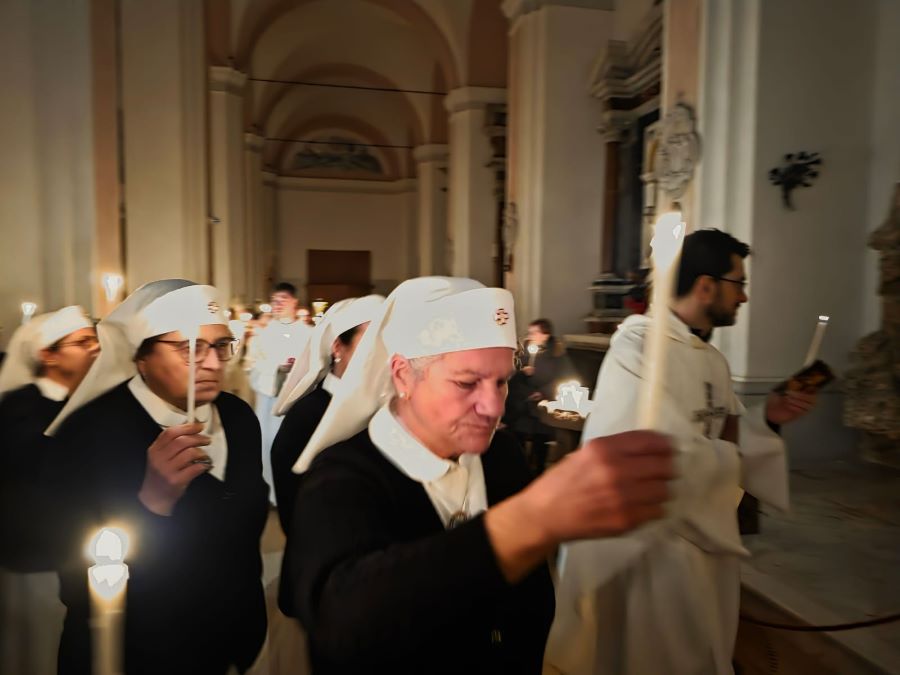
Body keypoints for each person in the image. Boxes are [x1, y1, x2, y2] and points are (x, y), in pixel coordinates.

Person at [284, 276, 675, 674]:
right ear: (402, 375)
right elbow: (343, 627)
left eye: (501, 381)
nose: (493, 407)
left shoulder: (502, 455)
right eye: (467, 383)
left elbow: (531, 600)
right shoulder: (341, 480)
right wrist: (530, 520)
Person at [546, 229, 818, 675]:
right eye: (738, 283)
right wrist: (725, 458)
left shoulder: (711, 359)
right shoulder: (637, 347)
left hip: (703, 542)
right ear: (706, 286)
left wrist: (769, 416)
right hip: (652, 551)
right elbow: (654, 455)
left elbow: (724, 433)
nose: (744, 296)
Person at [45, 280, 268, 675]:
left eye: (220, 346)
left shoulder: (238, 418)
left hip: (226, 647)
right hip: (132, 652)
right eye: (190, 348)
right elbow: (77, 583)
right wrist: (152, 503)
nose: (213, 363)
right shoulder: (91, 432)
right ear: (141, 357)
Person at [270, 294, 384, 617]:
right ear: (337, 347)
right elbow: (294, 507)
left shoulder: (387, 406)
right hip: (327, 575)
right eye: (371, 341)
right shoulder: (309, 414)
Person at [0, 306, 98, 675]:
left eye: (95, 341)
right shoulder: (20, 409)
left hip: (82, 557)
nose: (94, 349)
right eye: (82, 342)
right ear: (49, 355)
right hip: (36, 559)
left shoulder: (94, 403)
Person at [249, 282, 313, 504]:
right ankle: (272, 495)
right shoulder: (262, 335)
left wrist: (297, 371)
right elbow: (252, 366)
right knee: (269, 444)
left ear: (294, 302)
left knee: (296, 443)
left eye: (283, 299)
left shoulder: (309, 334)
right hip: (269, 402)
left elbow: (317, 366)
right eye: (274, 300)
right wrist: (276, 369)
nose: (277, 304)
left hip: (298, 402)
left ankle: (297, 491)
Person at [503, 319, 576, 473]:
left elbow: (563, 378)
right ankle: (521, 472)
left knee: (540, 442)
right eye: (530, 332)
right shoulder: (524, 352)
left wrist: (543, 392)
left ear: (545, 335)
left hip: (544, 405)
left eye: (534, 332)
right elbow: (512, 377)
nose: (530, 336)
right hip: (523, 404)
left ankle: (539, 471)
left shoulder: (557, 354)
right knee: (519, 439)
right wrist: (523, 373)